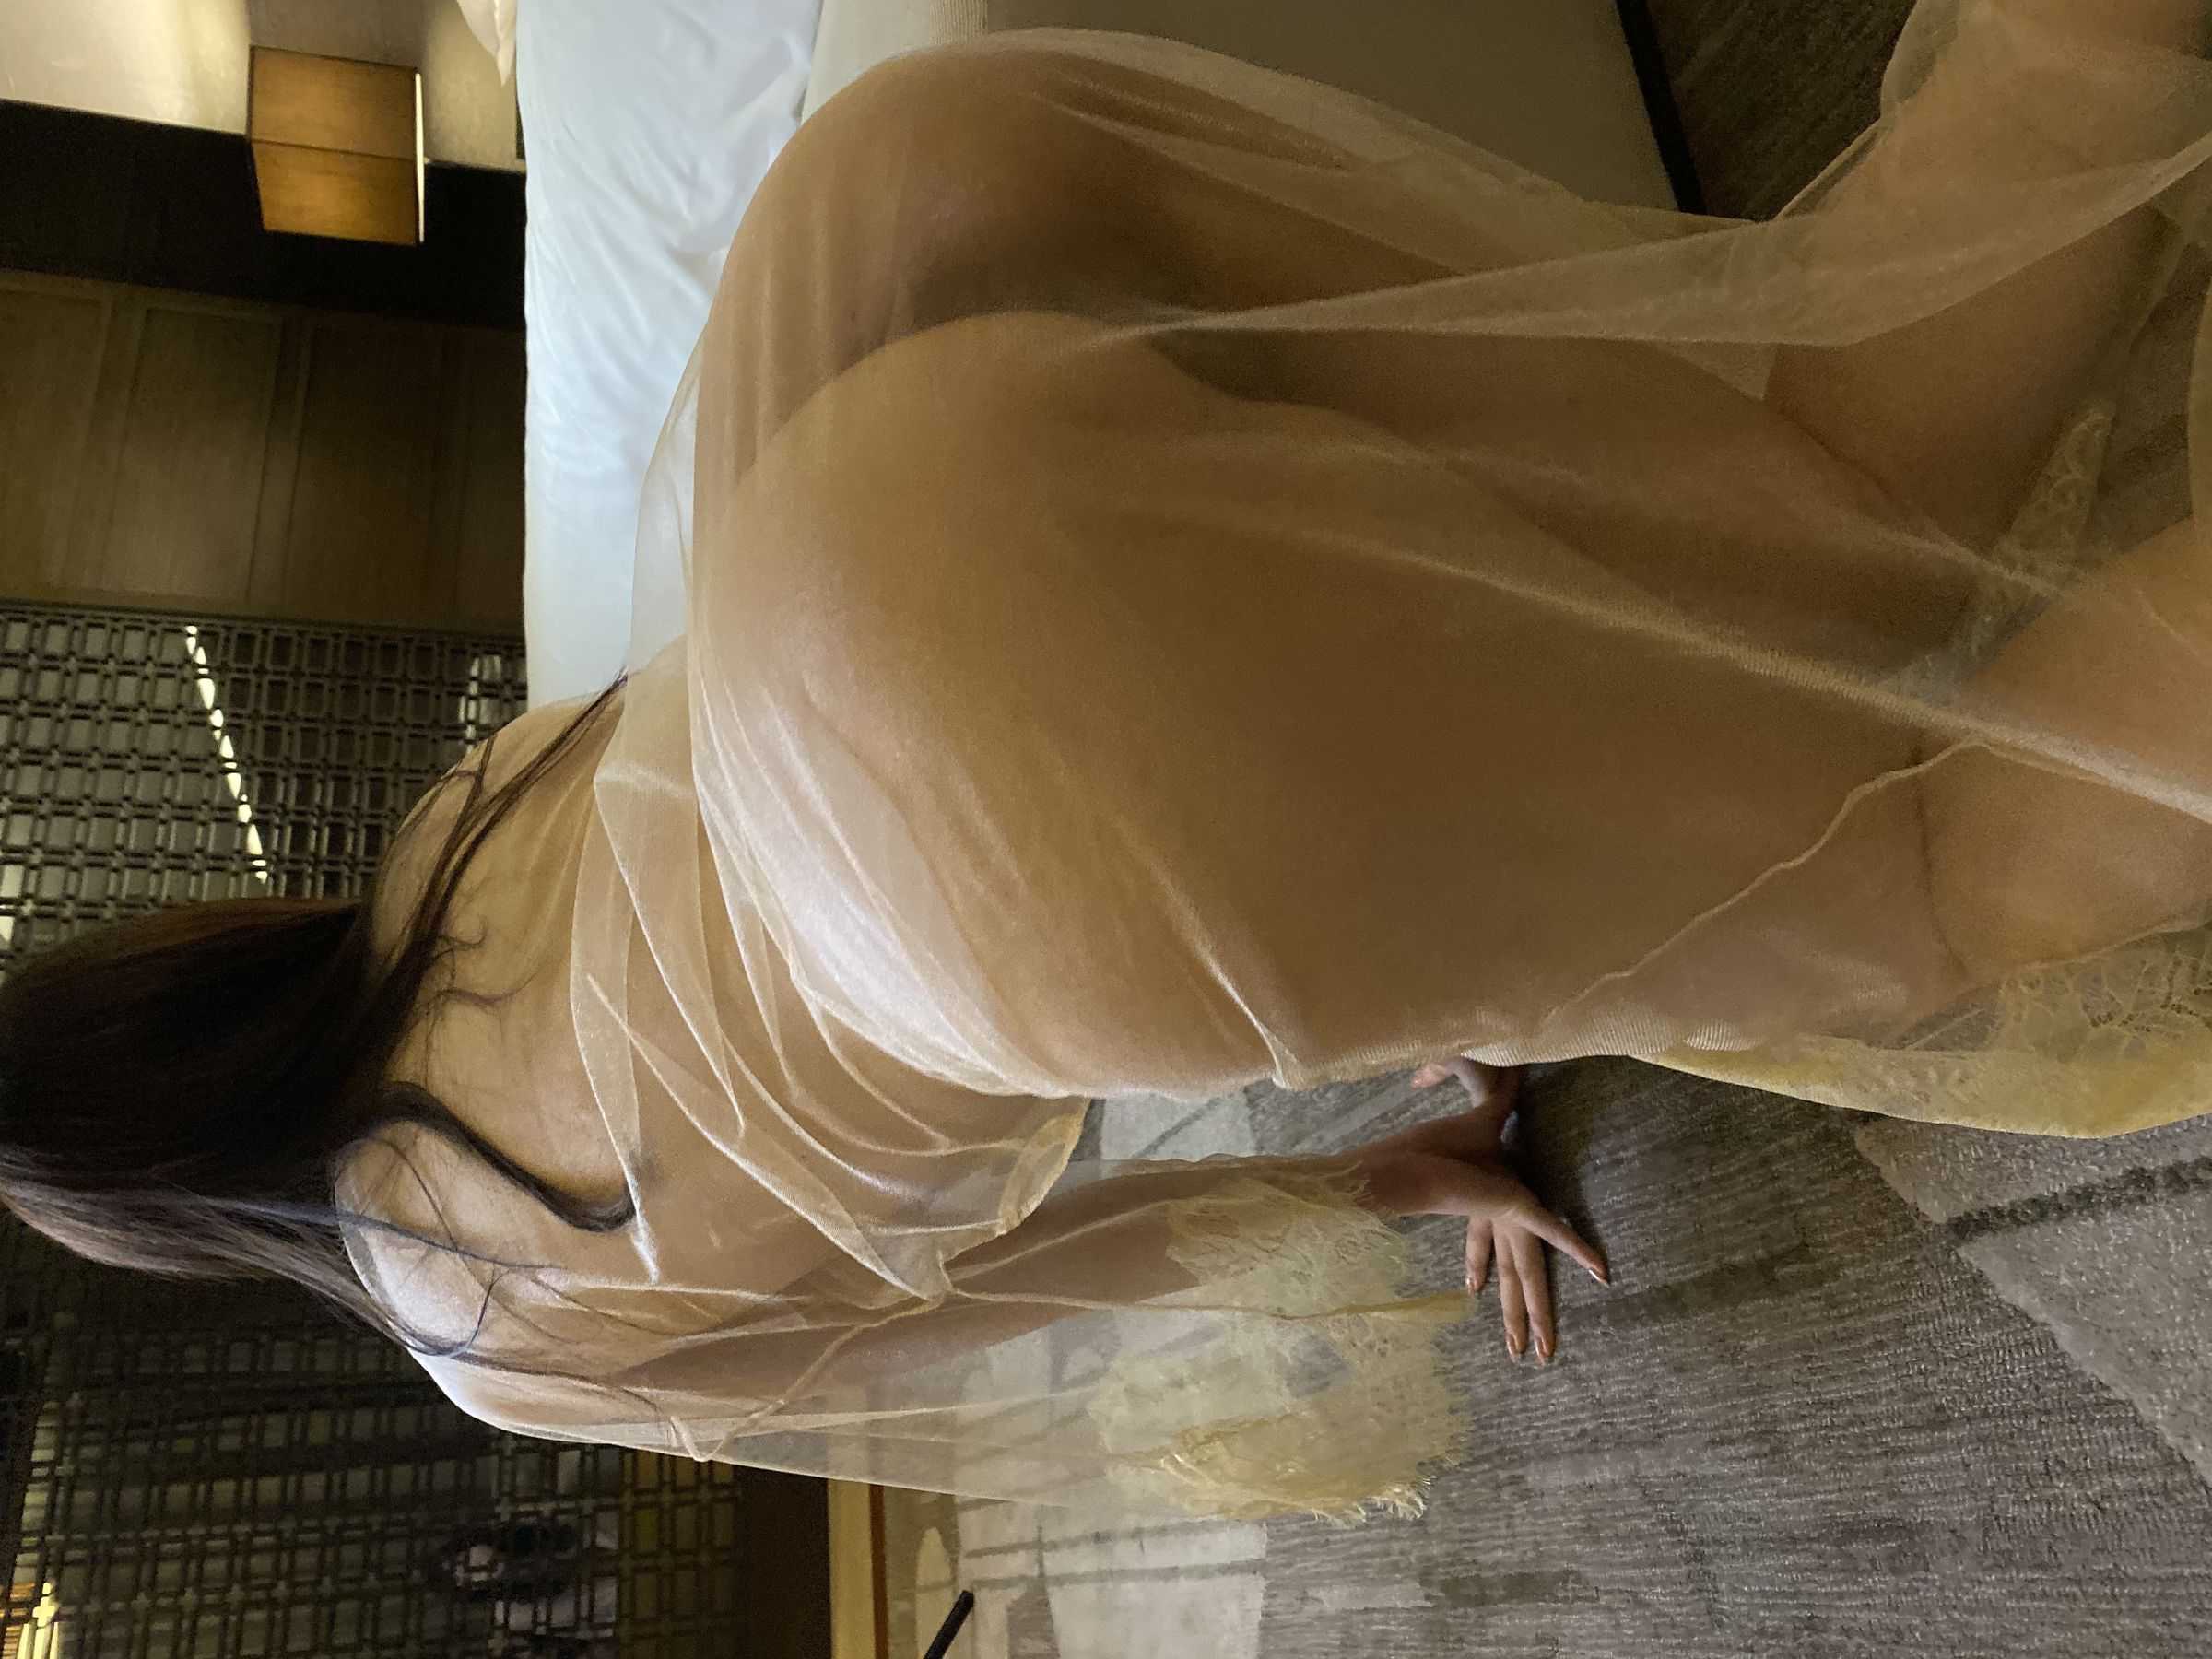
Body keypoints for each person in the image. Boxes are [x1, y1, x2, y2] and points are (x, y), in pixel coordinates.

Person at [6, 0, 2212, 1524]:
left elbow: (1031, 1282)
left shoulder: (497, 1353)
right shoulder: (429, 850)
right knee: (1808, 489)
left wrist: (1389, 1174)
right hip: (870, 281)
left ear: (180, 1222)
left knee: (1918, 877)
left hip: (970, 867)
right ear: (187, 973)